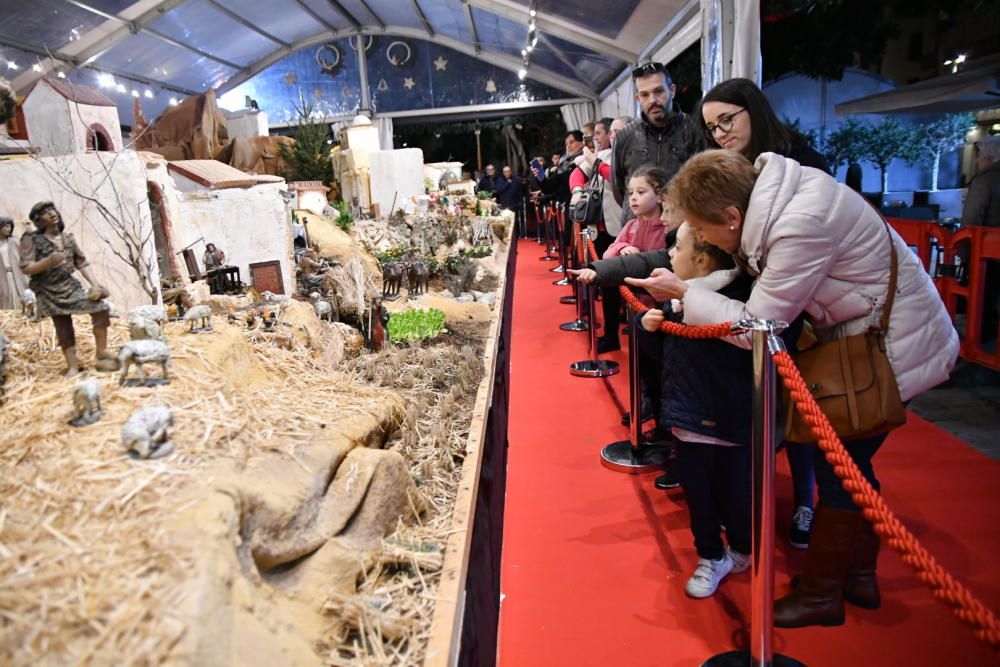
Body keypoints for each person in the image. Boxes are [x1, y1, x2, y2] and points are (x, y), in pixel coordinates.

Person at [630, 149, 958, 628]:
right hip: (876, 339)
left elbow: (757, 326)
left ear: (732, 216)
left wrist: (686, 294)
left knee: (840, 468)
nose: (701, 238)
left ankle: (825, 592)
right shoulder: (786, 200)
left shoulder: (796, 224)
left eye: (703, 228)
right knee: (853, 466)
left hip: (891, 348)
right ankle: (856, 577)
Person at [698, 77, 830, 548]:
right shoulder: (733, 168)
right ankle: (754, 496)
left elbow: (803, 244)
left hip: (807, 305)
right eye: (713, 127)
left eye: (727, 120)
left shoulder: (803, 163)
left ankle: (805, 500)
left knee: (800, 412)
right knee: (765, 405)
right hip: (762, 297)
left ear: (754, 109)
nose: (721, 133)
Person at [637, 221, 756, 597]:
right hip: (686, 422)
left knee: (735, 494)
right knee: (698, 496)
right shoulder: (679, 302)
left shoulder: (736, 303)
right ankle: (710, 555)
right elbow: (669, 360)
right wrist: (649, 327)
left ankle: (741, 547)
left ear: (702, 259)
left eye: (678, 248)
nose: (670, 254)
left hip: (727, 420)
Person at [20, 202, 115, 377]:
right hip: (49, 289)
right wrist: (47, 262)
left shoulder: (68, 238)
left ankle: (101, 352)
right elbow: (26, 267)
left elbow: (81, 262)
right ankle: (72, 366)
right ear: (38, 220)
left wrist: (94, 283)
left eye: (52, 210)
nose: (51, 214)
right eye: (45, 213)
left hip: (70, 286)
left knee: (100, 308)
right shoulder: (31, 239)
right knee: (63, 325)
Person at [610, 62, 703, 225]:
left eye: (658, 91)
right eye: (645, 95)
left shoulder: (696, 131)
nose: (652, 100)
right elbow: (619, 189)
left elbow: (705, 187)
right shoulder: (625, 136)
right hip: (637, 235)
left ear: (672, 91)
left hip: (682, 231)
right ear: (638, 98)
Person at [569, 118, 624, 351]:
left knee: (617, 286)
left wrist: (596, 162)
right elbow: (576, 175)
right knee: (606, 286)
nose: (609, 137)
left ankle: (616, 331)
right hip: (596, 231)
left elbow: (617, 179)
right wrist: (578, 191)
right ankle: (610, 333)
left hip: (620, 231)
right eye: (607, 133)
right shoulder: (599, 156)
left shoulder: (622, 157)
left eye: (614, 132)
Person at [961, 136, 1000, 340]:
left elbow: (971, 218)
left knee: (984, 297)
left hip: (986, 254)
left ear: (990, 157)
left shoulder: (985, 180)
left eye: (980, 157)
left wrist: (963, 252)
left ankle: (980, 341)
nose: (977, 162)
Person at [1, 216, 28, 310]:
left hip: (16, 275)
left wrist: (28, 229)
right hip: (2, 276)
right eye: (6, 226)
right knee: (4, 298)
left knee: (20, 296)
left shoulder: (15, 241)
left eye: (10, 227)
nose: (9, 229)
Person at [496, 165, 524, 230]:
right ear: (503, 173)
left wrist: (520, 201)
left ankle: (517, 234)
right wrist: (507, 183)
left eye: (508, 171)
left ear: (511, 172)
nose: (507, 173)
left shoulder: (516, 179)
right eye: (505, 172)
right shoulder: (500, 180)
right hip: (504, 204)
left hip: (514, 204)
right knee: (506, 221)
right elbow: (499, 190)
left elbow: (519, 191)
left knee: (515, 221)